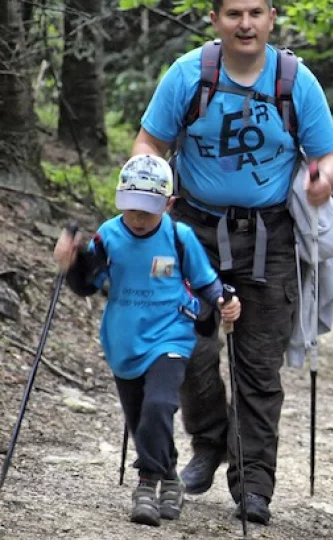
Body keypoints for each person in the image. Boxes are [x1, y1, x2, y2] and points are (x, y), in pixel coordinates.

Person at [130, 0, 333, 525]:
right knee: (189, 352)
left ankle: (253, 484)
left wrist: (324, 179)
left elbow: (328, 155)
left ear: (272, 17)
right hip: (194, 233)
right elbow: (149, 141)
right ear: (215, 20)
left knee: (258, 368)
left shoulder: (296, 80)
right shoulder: (188, 75)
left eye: (255, 12)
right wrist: (148, 183)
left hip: (271, 236)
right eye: (233, 13)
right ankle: (209, 442)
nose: (244, 24)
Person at [52, 154, 241, 527]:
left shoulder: (178, 236)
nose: (137, 219)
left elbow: (206, 282)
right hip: (123, 340)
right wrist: (71, 263)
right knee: (142, 422)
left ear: (168, 205)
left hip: (171, 334)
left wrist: (225, 300)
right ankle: (170, 477)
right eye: (132, 209)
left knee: (159, 405)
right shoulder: (108, 235)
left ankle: (146, 484)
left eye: (148, 211)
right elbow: (86, 286)